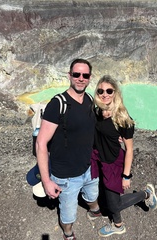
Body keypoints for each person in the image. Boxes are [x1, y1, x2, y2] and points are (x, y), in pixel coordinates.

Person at [36, 59, 103, 240]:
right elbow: (41, 143)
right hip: (66, 176)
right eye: (76, 74)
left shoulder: (89, 99)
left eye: (85, 75)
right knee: (68, 213)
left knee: (92, 195)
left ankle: (94, 211)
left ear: (90, 78)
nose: (80, 78)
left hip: (89, 168)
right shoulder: (58, 104)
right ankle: (68, 233)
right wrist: (46, 181)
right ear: (70, 75)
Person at [91, 75, 157, 237]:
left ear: (116, 93)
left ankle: (145, 195)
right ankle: (117, 222)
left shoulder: (122, 118)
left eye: (109, 91)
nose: (104, 94)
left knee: (114, 204)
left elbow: (129, 149)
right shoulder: (96, 111)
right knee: (106, 195)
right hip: (98, 159)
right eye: (101, 91)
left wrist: (126, 175)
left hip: (113, 163)